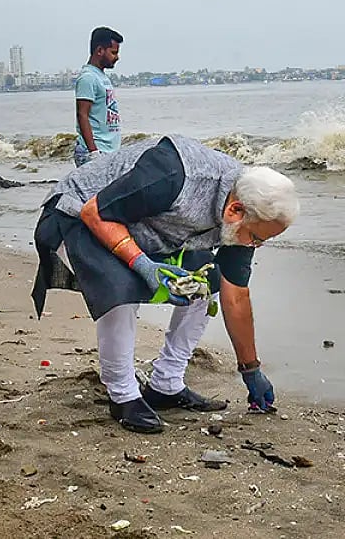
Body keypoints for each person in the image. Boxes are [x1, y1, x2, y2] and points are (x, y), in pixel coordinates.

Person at [32, 135, 298, 433]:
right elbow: (94, 212)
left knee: (205, 280)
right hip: (75, 215)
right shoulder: (173, 173)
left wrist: (251, 369)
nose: (256, 245)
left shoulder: (247, 214)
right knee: (122, 286)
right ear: (235, 211)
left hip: (141, 230)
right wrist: (142, 265)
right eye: (257, 238)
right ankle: (123, 395)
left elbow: (234, 294)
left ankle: (166, 384)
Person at [74, 27, 123, 166]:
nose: (117, 57)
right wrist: (93, 152)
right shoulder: (88, 78)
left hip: (109, 151)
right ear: (100, 50)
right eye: (113, 52)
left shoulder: (101, 77)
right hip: (95, 152)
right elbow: (82, 115)